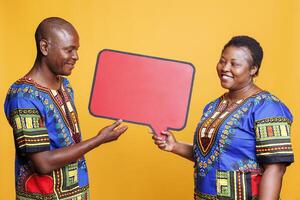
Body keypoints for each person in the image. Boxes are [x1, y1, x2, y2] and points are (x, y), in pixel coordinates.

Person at [152, 36, 294, 200]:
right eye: (222, 61)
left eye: (234, 64)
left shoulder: (268, 108)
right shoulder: (213, 107)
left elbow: (275, 169)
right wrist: (175, 146)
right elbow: (213, 157)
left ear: (253, 69)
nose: (225, 68)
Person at [4, 17, 128, 200]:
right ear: (44, 47)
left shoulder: (65, 85)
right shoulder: (23, 97)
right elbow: (43, 163)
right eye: (69, 50)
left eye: (76, 50)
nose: (76, 56)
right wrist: (99, 139)